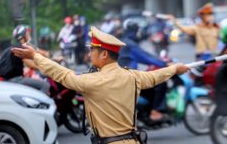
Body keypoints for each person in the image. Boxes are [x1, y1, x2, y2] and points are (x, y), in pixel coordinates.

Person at [12, 26, 189, 144]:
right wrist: (174, 68)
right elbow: (155, 76)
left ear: (104, 54)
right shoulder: (133, 76)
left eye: (92, 50)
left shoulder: (95, 81)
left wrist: (36, 56)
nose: (89, 54)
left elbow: (63, 74)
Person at [119, 19, 170, 125]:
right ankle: (155, 112)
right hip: (130, 79)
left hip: (122, 77)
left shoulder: (122, 42)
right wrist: (164, 65)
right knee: (160, 83)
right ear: (135, 31)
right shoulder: (130, 44)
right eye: (138, 30)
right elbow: (146, 57)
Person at [0, 25, 50, 93]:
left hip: (6, 80)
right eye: (27, 33)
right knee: (45, 85)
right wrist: (48, 67)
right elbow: (31, 64)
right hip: (14, 80)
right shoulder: (21, 48)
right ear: (23, 36)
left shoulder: (12, 47)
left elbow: (37, 51)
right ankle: (38, 103)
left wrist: (49, 56)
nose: (29, 35)